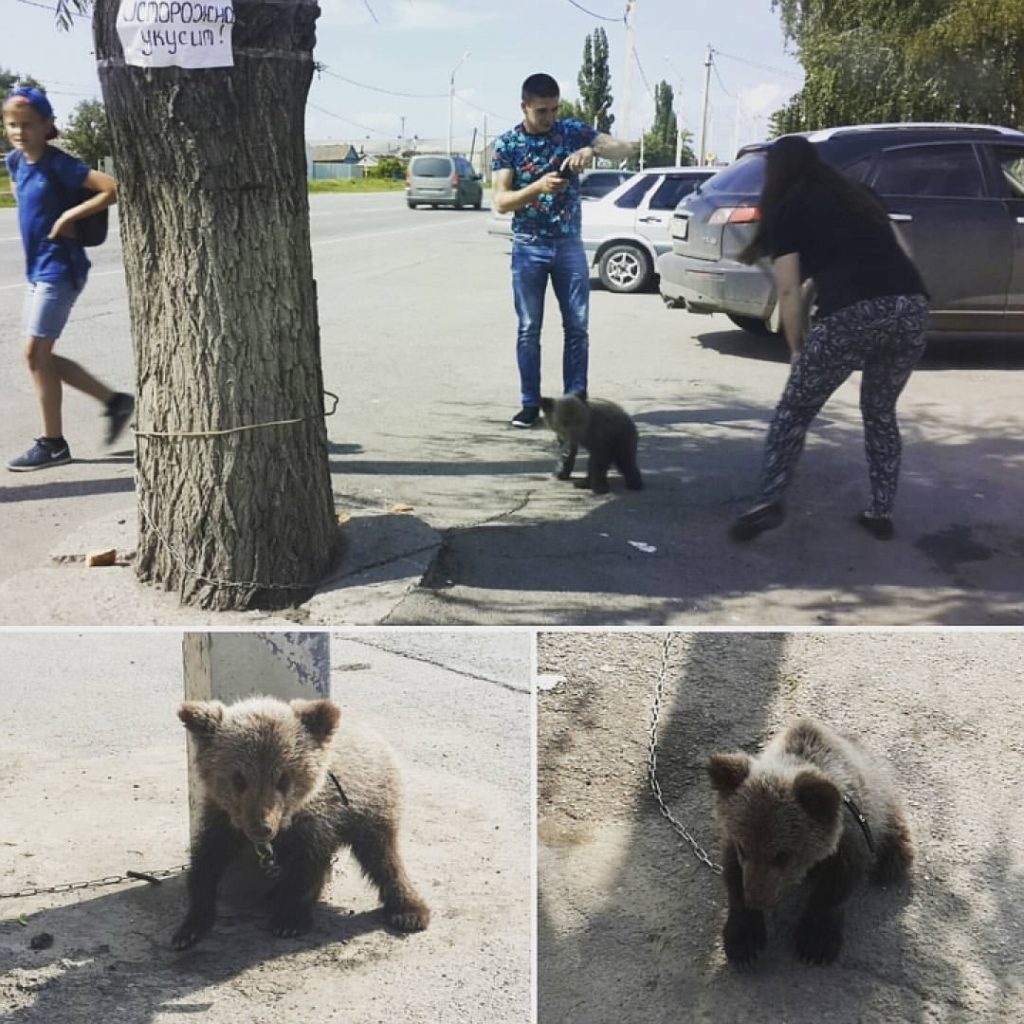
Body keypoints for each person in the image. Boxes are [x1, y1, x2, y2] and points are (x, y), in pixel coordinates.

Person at [729, 134, 930, 542]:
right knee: (879, 411)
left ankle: (769, 500)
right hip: (910, 307)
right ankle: (881, 511)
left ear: (777, 171)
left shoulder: (788, 208)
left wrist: (797, 349)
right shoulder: (862, 194)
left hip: (853, 313)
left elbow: (787, 290)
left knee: (793, 412)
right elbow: (905, 252)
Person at [492, 73, 635, 427]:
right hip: (529, 246)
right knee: (529, 327)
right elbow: (501, 201)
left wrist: (593, 149)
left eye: (554, 109)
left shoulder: (571, 131)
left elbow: (626, 148)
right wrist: (538, 187)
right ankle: (530, 404)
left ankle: (575, 402)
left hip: (569, 243)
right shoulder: (508, 144)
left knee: (577, 327)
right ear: (524, 106)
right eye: (541, 111)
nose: (548, 117)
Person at [3, 86, 133, 472]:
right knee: (39, 356)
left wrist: (68, 217)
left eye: (28, 124)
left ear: (46, 125)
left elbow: (111, 189)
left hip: (61, 267)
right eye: (12, 124)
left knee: (34, 354)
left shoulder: (60, 164)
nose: (20, 131)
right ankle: (114, 402)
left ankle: (53, 443)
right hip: (37, 269)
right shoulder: (14, 162)